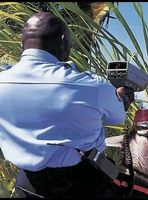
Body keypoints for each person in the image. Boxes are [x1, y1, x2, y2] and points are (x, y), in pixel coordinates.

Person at [0, 12, 134, 198]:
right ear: (64, 40)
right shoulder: (93, 86)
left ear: (23, 42)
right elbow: (118, 116)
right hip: (83, 185)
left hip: (26, 185)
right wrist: (121, 98)